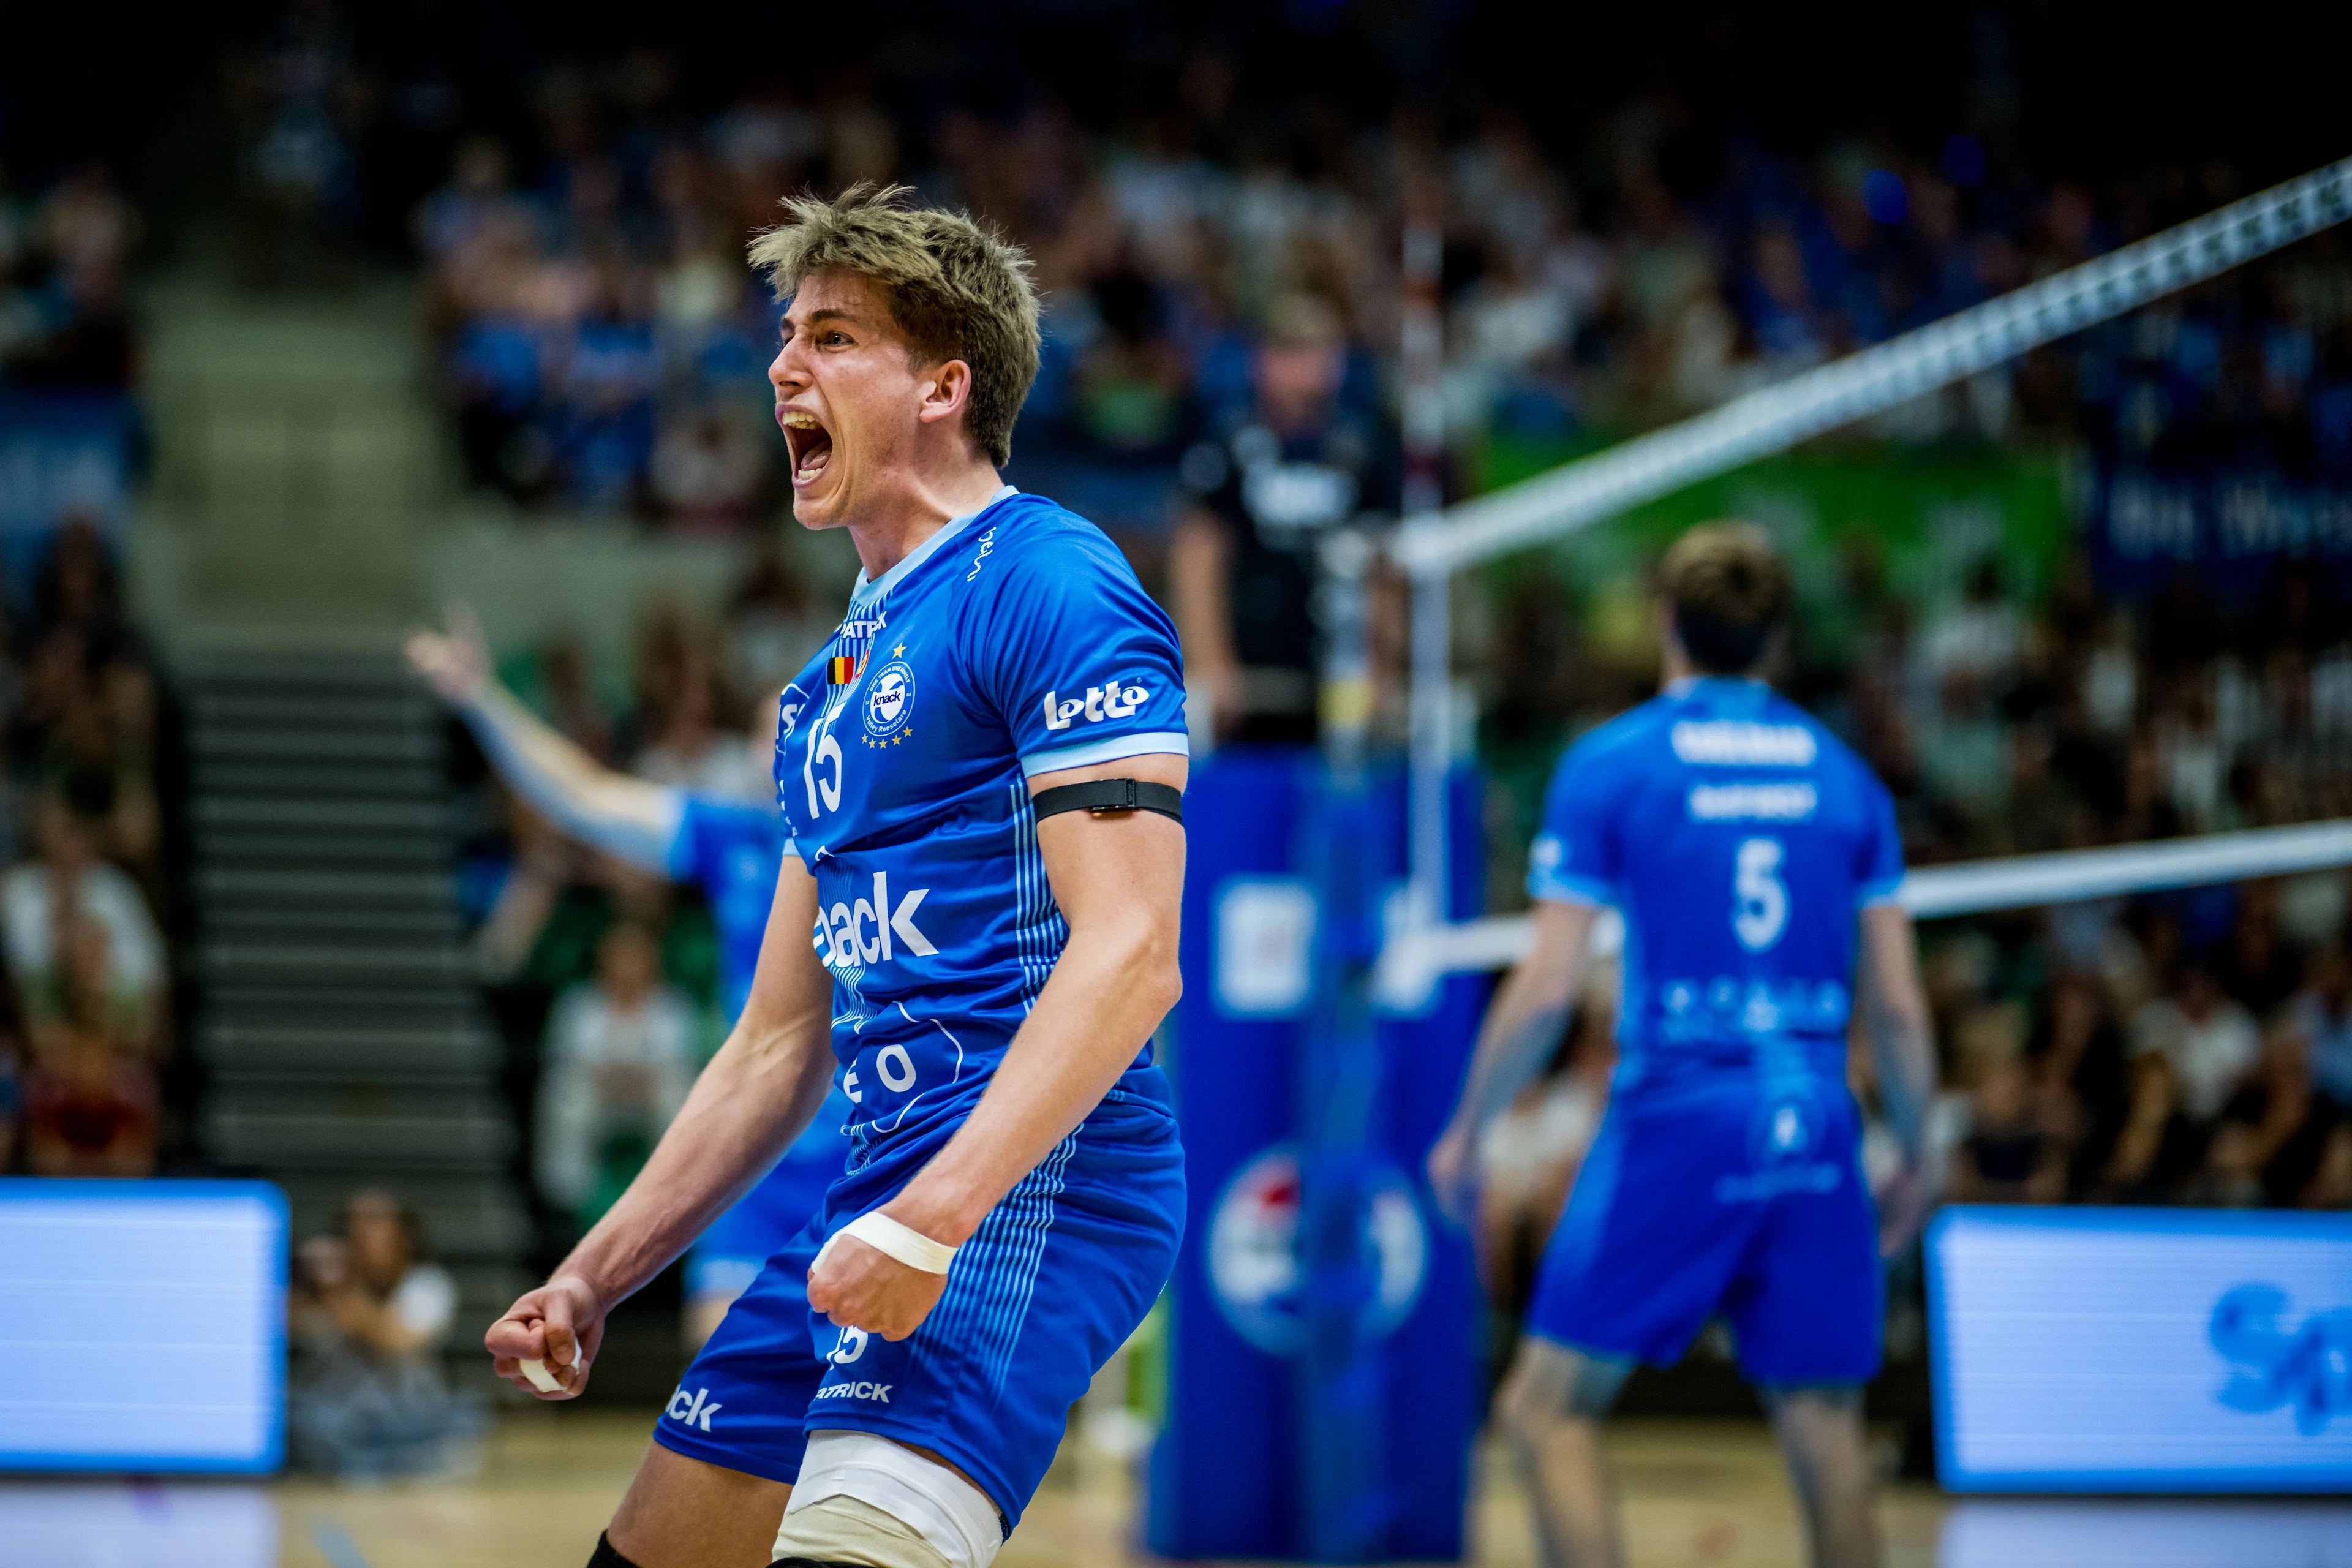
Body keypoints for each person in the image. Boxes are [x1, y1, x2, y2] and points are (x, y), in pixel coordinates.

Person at [482, 183, 1190, 1568]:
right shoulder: (822, 690)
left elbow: (1132, 951)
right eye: (784, 337)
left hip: (1031, 1187)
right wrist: (594, 1272)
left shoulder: (1050, 579)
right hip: (867, 1195)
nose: (781, 368)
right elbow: (774, 1042)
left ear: (943, 383)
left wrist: (934, 1217)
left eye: (831, 338)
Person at [1427, 522, 1937, 1568]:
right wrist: (1919, 1149)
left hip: (1681, 1112)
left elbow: (1548, 988)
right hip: (1813, 1111)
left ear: (1667, 623)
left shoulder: (1614, 765)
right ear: (1779, 640)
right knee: (1826, 1431)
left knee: (1546, 1412)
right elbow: (1897, 1003)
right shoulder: (1847, 780)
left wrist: (1469, 1129)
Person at [406, 610, 852, 1350]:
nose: (790, 743)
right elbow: (582, 795)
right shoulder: (734, 838)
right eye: (774, 729)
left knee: (865, 1406)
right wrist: (482, 696)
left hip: (868, 1149)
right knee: (719, 1386)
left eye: (806, 726)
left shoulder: (898, 844)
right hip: (756, 1158)